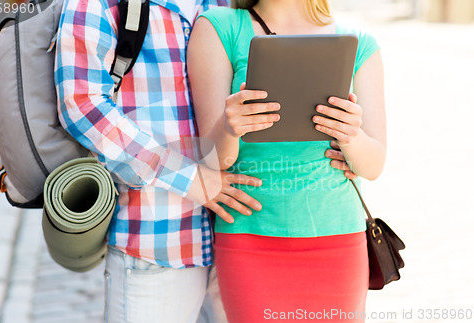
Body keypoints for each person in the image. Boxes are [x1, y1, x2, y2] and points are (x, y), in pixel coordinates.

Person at [55, 0, 357, 322]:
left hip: (241, 237)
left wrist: (343, 149)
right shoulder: (99, 4)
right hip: (160, 237)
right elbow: (82, 107)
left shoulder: (226, 4)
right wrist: (189, 178)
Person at [187, 0, 386, 322]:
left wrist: (352, 137)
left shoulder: (359, 42)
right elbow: (216, 161)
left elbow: (374, 165)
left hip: (338, 238)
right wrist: (229, 126)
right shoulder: (219, 27)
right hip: (250, 238)